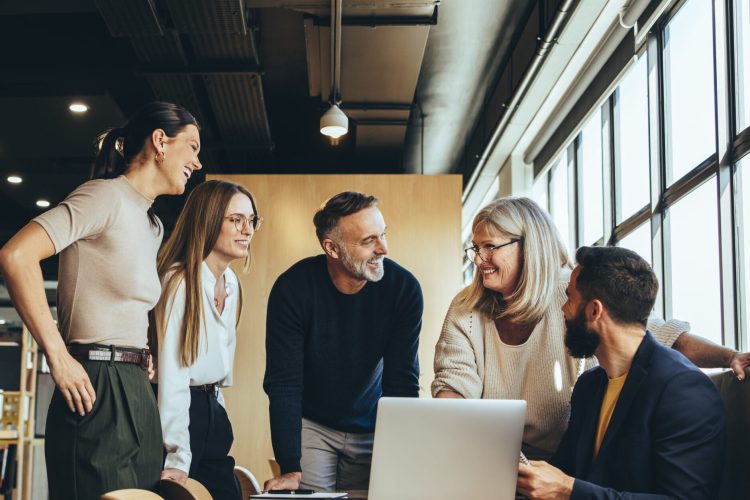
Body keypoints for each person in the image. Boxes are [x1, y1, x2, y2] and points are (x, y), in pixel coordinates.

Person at [432, 197, 748, 460]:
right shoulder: (467, 308)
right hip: (492, 453)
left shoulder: (571, 293)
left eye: (489, 247)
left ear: (529, 247)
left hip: (569, 459)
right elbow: (453, 388)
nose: (479, 259)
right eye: (475, 248)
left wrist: (729, 356)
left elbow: (657, 336)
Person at [0, 102, 201, 499]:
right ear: (160, 141)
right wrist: (57, 356)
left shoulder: (152, 223)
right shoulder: (103, 197)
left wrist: (139, 358)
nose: (197, 160)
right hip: (94, 382)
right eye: (193, 146)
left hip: (135, 387)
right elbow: (16, 255)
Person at [516, 246, 725, 499]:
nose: (563, 309)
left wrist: (568, 490)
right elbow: (562, 472)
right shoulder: (589, 386)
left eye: (569, 298)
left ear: (595, 311)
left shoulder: (684, 389)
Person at [263, 191, 423, 492]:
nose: (384, 248)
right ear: (332, 248)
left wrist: (404, 455)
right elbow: (284, 382)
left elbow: (402, 381)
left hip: (376, 423)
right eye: (368, 241)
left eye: (383, 235)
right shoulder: (293, 289)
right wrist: (289, 466)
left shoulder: (404, 290)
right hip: (314, 424)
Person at [152, 180, 261, 500]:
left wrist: (218, 413)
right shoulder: (178, 281)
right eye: (236, 219)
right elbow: (173, 376)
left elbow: (220, 371)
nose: (248, 229)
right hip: (179, 414)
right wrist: (177, 456)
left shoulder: (230, 283)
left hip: (212, 409)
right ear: (209, 220)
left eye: (252, 220)